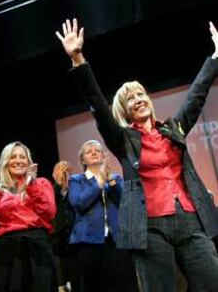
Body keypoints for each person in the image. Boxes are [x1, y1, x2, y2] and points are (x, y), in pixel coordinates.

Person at [56, 19, 218, 291]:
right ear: (125, 110)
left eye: (141, 94)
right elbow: (97, 104)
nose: (139, 99)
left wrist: (216, 56)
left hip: (190, 219)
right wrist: (78, 59)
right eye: (131, 99)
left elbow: (196, 95)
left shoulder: (172, 129)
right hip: (149, 228)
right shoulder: (123, 138)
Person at [0, 141, 57, 292]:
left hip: (37, 250)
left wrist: (31, 186)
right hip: (5, 255)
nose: (18, 161)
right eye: (13, 157)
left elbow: (49, 213)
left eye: (22, 157)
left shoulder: (41, 183)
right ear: (5, 162)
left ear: (29, 161)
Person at [68, 140, 137, 292]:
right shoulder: (76, 180)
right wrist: (98, 183)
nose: (94, 152)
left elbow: (124, 204)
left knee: (121, 284)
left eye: (97, 150)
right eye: (89, 151)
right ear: (82, 160)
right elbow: (79, 203)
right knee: (93, 286)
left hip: (115, 240)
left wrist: (110, 180)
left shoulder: (115, 179)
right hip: (88, 241)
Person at [50, 161, 74, 292]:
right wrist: (59, 184)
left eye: (67, 171)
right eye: (61, 171)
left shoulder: (76, 189)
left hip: (73, 240)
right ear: (54, 174)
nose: (64, 174)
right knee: (60, 280)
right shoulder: (51, 190)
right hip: (57, 241)